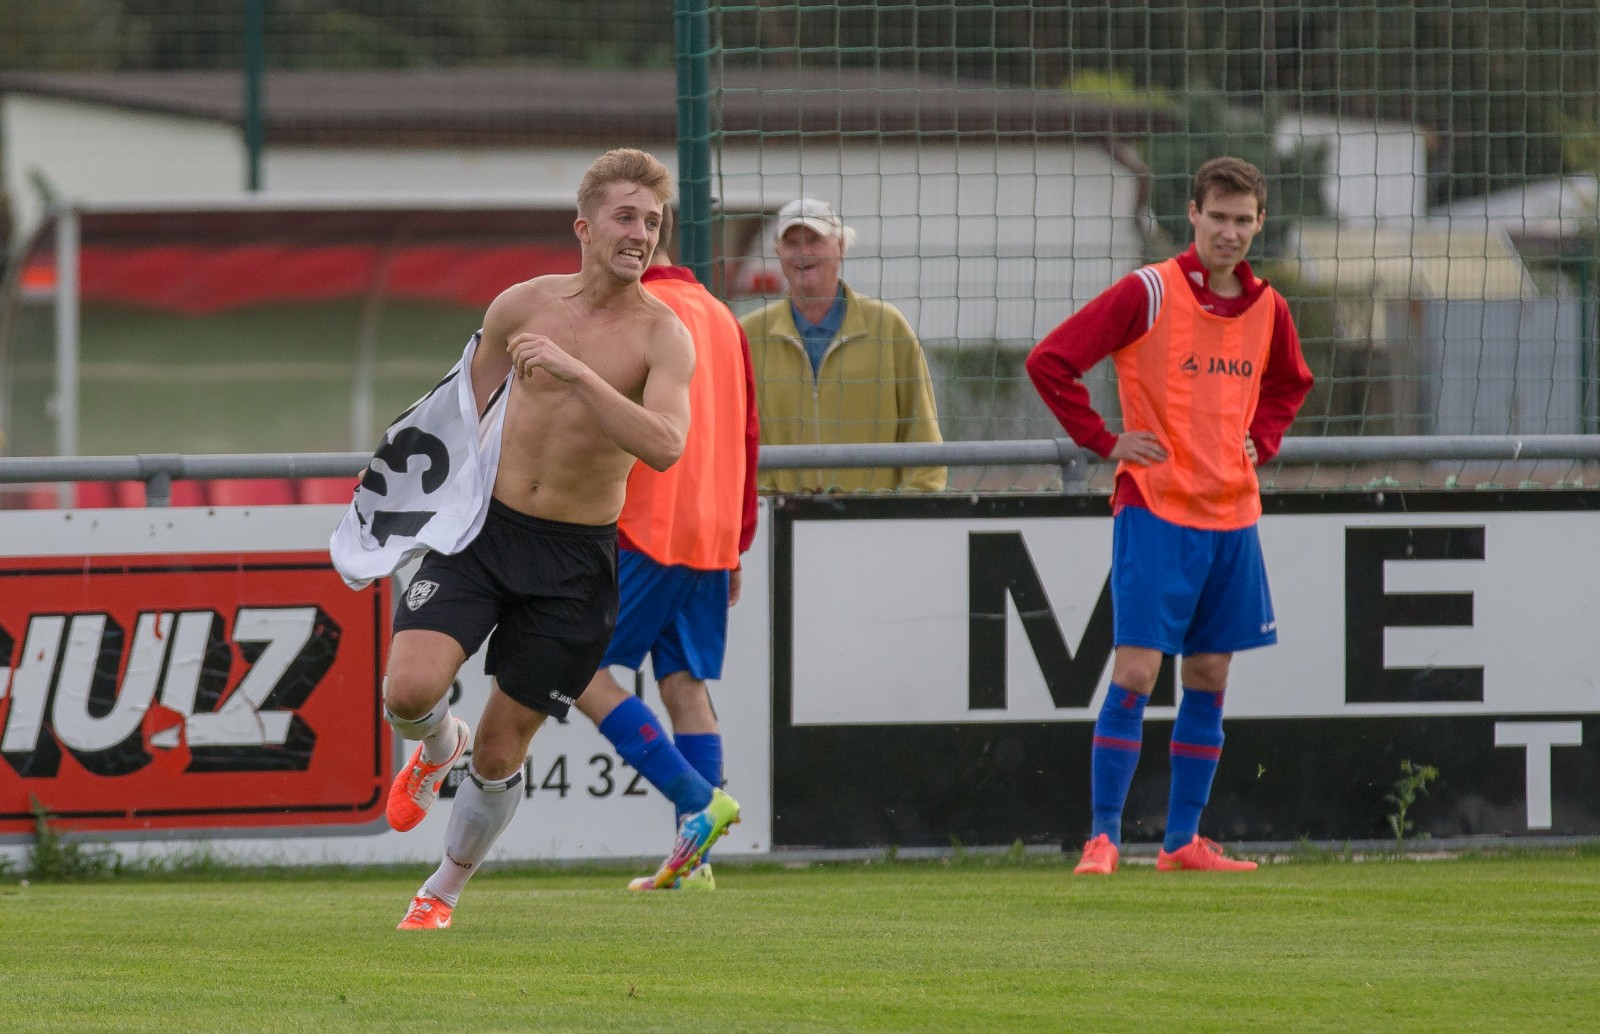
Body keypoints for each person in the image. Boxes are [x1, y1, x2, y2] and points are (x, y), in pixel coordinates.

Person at [378, 148, 740, 930]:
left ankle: (439, 892)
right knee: (406, 692)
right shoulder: (521, 305)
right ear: (584, 226)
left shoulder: (665, 336)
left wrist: (579, 375)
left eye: (652, 221)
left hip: (575, 561)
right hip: (482, 535)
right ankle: (437, 744)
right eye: (626, 217)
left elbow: (667, 444)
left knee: (504, 752)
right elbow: (455, 418)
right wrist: (402, 502)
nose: (641, 233)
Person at [1025, 156, 1314, 875]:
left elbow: (1290, 384)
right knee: (1135, 672)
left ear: (1260, 223)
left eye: (1244, 220)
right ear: (1193, 215)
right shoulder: (1148, 291)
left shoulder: (1269, 307)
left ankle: (1182, 841)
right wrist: (1103, 439)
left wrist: (1263, 440)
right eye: (1218, 217)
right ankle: (1103, 837)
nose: (1230, 232)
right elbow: (1051, 361)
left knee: (1210, 674)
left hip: (1232, 514)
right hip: (1155, 507)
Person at [572, 203, 760, 892]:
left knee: (579, 671)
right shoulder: (721, 315)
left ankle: (698, 804)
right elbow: (748, 434)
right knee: (686, 686)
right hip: (709, 532)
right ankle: (695, 867)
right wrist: (736, 539)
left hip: (643, 523)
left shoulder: (638, 312)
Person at [740, 197, 946, 493]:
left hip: (870, 520)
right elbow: (734, 440)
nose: (803, 252)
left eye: (814, 240)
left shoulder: (888, 327)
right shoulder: (749, 335)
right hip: (780, 521)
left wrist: (905, 511)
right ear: (778, 253)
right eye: (792, 242)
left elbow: (922, 435)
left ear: (841, 247)